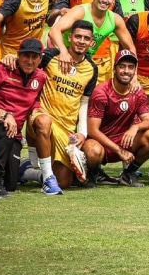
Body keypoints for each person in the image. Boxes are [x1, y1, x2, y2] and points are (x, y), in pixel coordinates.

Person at [29, 20, 99, 194]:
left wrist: (82, 132)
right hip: (41, 117)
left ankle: (28, 172)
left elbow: (84, 102)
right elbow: (28, 67)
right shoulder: (51, 56)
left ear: (92, 43)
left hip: (66, 129)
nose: (81, 41)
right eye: (78, 36)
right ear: (70, 38)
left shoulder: (91, 68)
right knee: (44, 122)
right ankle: (47, 178)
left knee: (65, 182)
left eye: (86, 38)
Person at [0, 38, 48, 197]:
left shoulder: (41, 77)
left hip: (15, 134)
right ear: (18, 55)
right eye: (25, 56)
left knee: (11, 185)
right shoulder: (2, 69)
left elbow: (34, 100)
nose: (29, 61)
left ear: (40, 59)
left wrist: (37, 111)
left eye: (34, 57)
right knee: (5, 127)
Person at [77, 50, 149, 187]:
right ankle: (94, 173)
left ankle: (129, 174)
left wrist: (135, 127)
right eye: (122, 66)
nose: (126, 71)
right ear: (114, 69)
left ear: (134, 71)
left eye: (130, 67)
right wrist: (118, 150)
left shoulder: (138, 92)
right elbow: (92, 130)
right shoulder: (101, 92)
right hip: (102, 143)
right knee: (93, 151)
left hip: (125, 141)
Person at [49, 0, 136, 84]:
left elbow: (130, 48)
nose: (104, 0)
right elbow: (54, 31)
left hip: (86, 61)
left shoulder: (115, 19)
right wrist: (63, 51)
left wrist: (134, 75)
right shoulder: (80, 11)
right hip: (65, 59)